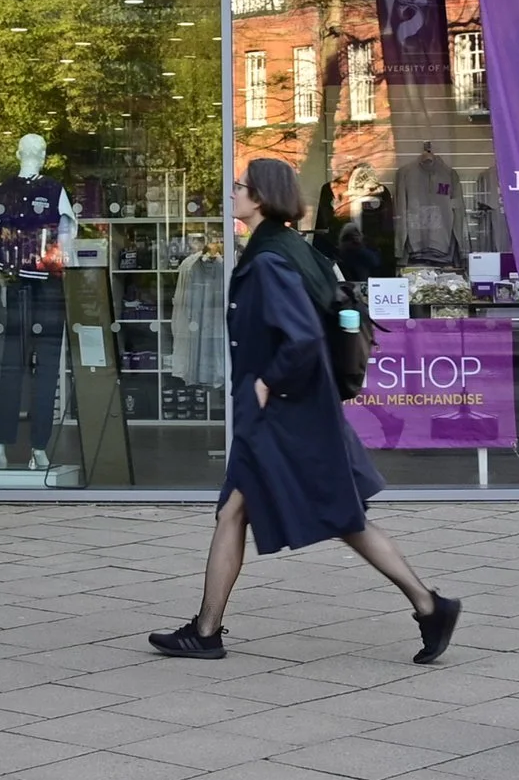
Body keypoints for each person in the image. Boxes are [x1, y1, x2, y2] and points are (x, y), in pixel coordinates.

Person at [150, 156, 459, 663]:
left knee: (340, 514)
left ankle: (429, 604)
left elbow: (300, 336)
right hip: (294, 410)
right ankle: (206, 630)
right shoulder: (286, 248)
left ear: (261, 196)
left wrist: (268, 380)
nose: (233, 193)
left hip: (284, 413)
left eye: (239, 186)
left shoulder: (270, 258)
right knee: (246, 510)